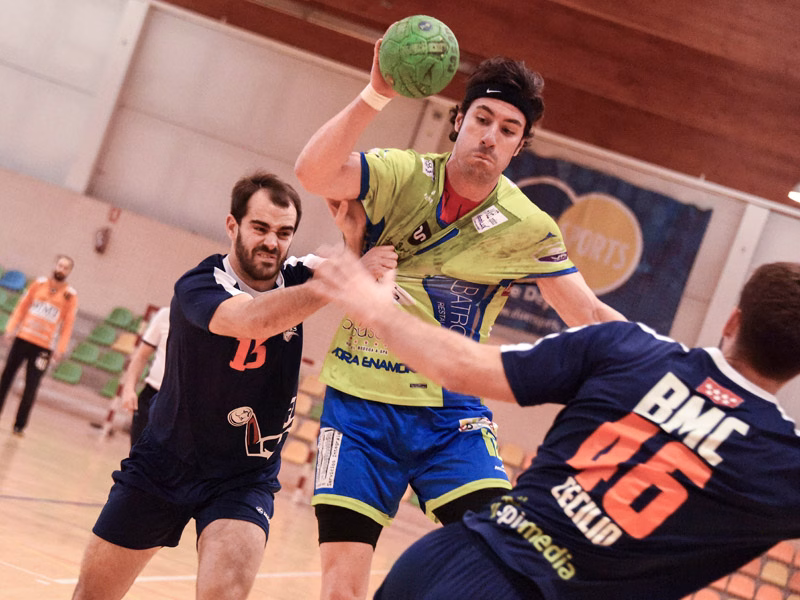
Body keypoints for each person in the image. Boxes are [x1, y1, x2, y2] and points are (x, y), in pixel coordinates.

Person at [294, 35, 626, 599]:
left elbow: (588, 311)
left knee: (504, 567)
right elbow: (313, 173)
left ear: (519, 147)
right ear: (459, 121)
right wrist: (376, 94)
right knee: (341, 589)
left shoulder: (529, 226)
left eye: (508, 129)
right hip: (359, 408)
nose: (490, 136)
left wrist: (668, 368)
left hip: (451, 417)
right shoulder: (402, 174)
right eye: (483, 119)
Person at [314, 254, 800, 600]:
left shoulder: (628, 347)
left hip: (451, 557)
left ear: (733, 321)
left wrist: (373, 307)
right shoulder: (784, 467)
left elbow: (458, 366)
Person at [71, 172, 388, 600]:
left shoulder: (301, 275)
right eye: (260, 228)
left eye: (284, 233)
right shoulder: (198, 284)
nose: (271, 242)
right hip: (163, 465)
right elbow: (253, 320)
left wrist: (353, 232)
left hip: (243, 478)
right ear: (232, 226)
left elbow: (354, 269)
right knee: (91, 595)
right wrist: (340, 281)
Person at [0, 255, 77, 436]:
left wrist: (61, 348)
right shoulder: (38, 284)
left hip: (43, 347)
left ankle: (19, 425)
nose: (61, 269)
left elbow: (68, 325)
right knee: (6, 377)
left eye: (65, 267)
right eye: (60, 265)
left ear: (69, 271)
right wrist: (10, 328)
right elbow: (21, 307)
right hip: (23, 338)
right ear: (55, 265)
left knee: (31, 386)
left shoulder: (70, 295)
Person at [119, 305, 169, 446]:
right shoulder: (166, 315)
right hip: (152, 395)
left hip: (183, 405)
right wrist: (129, 388)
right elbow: (141, 355)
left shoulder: (212, 324)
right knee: (138, 453)